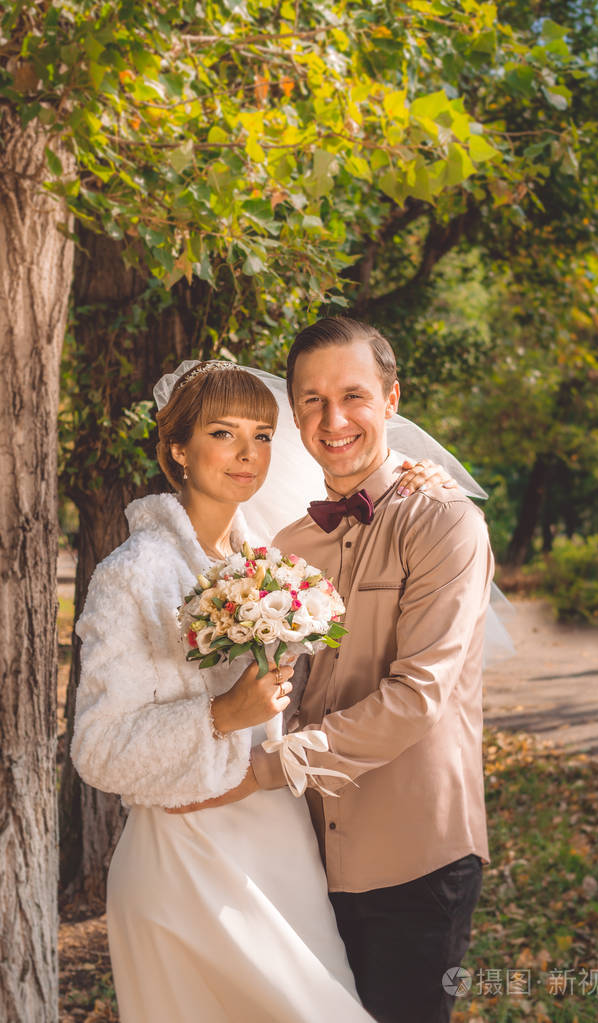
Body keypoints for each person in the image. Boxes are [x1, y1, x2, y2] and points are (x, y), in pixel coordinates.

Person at [71, 360, 452, 1023]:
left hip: (282, 847)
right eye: (223, 433)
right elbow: (96, 751)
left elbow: (375, 532)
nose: (249, 455)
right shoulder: (131, 576)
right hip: (185, 857)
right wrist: (220, 714)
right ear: (179, 450)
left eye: (263, 434)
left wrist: (415, 484)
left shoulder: (275, 560)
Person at [203, 317, 494, 1023]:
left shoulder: (445, 523)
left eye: (354, 395)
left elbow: (417, 696)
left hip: (413, 855)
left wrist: (265, 769)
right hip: (302, 852)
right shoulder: (291, 541)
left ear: (391, 399)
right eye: (311, 400)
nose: (333, 419)